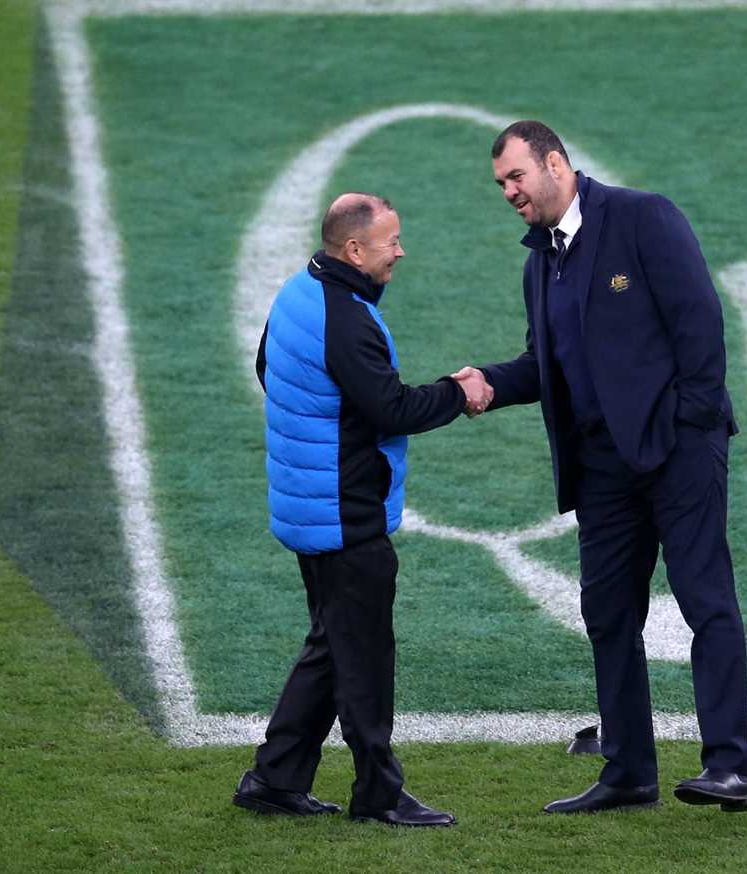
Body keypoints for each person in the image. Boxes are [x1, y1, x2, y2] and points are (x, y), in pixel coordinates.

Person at [454, 121, 747, 814]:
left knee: (705, 599)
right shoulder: (540, 263)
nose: (508, 192)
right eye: (500, 183)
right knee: (608, 612)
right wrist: (487, 383)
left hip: (676, 452)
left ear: (555, 163)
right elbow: (544, 364)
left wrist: (693, 423)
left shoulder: (642, 217)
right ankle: (628, 771)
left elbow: (699, 321)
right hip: (603, 469)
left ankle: (730, 767)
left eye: (516, 177)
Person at [232, 193, 490, 827]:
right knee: (365, 656)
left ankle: (274, 778)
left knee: (332, 642)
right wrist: (459, 393)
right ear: (354, 249)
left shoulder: (299, 291)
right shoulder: (346, 320)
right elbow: (392, 409)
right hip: (344, 513)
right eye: (390, 242)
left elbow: (269, 367)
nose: (399, 252)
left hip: (310, 505)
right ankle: (377, 794)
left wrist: (320, 423)